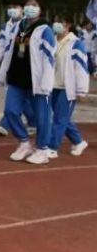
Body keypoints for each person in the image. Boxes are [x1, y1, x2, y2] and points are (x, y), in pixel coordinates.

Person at [0, 0, 56, 164]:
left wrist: (46, 81)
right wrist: (2, 73)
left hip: (37, 82)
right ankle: (24, 143)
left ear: (41, 9)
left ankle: (42, 149)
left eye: (34, 5)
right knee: (10, 111)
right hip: (17, 78)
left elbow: (49, 58)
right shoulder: (18, 27)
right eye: (28, 5)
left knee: (42, 117)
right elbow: (8, 50)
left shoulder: (45, 30)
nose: (30, 7)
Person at [0, 1, 37, 137]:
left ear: (22, 9)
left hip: (23, 65)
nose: (12, 10)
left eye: (15, 7)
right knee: (21, 97)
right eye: (9, 7)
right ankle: (33, 122)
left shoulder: (26, 25)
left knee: (19, 97)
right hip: (9, 63)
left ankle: (5, 124)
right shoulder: (6, 26)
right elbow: (1, 45)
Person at [46, 15, 89, 158]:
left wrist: (81, 90)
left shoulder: (75, 43)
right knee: (62, 117)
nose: (57, 25)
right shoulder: (51, 40)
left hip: (68, 88)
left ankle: (52, 147)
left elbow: (82, 67)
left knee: (59, 118)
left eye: (61, 22)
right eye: (55, 22)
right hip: (53, 86)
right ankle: (78, 141)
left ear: (68, 25)